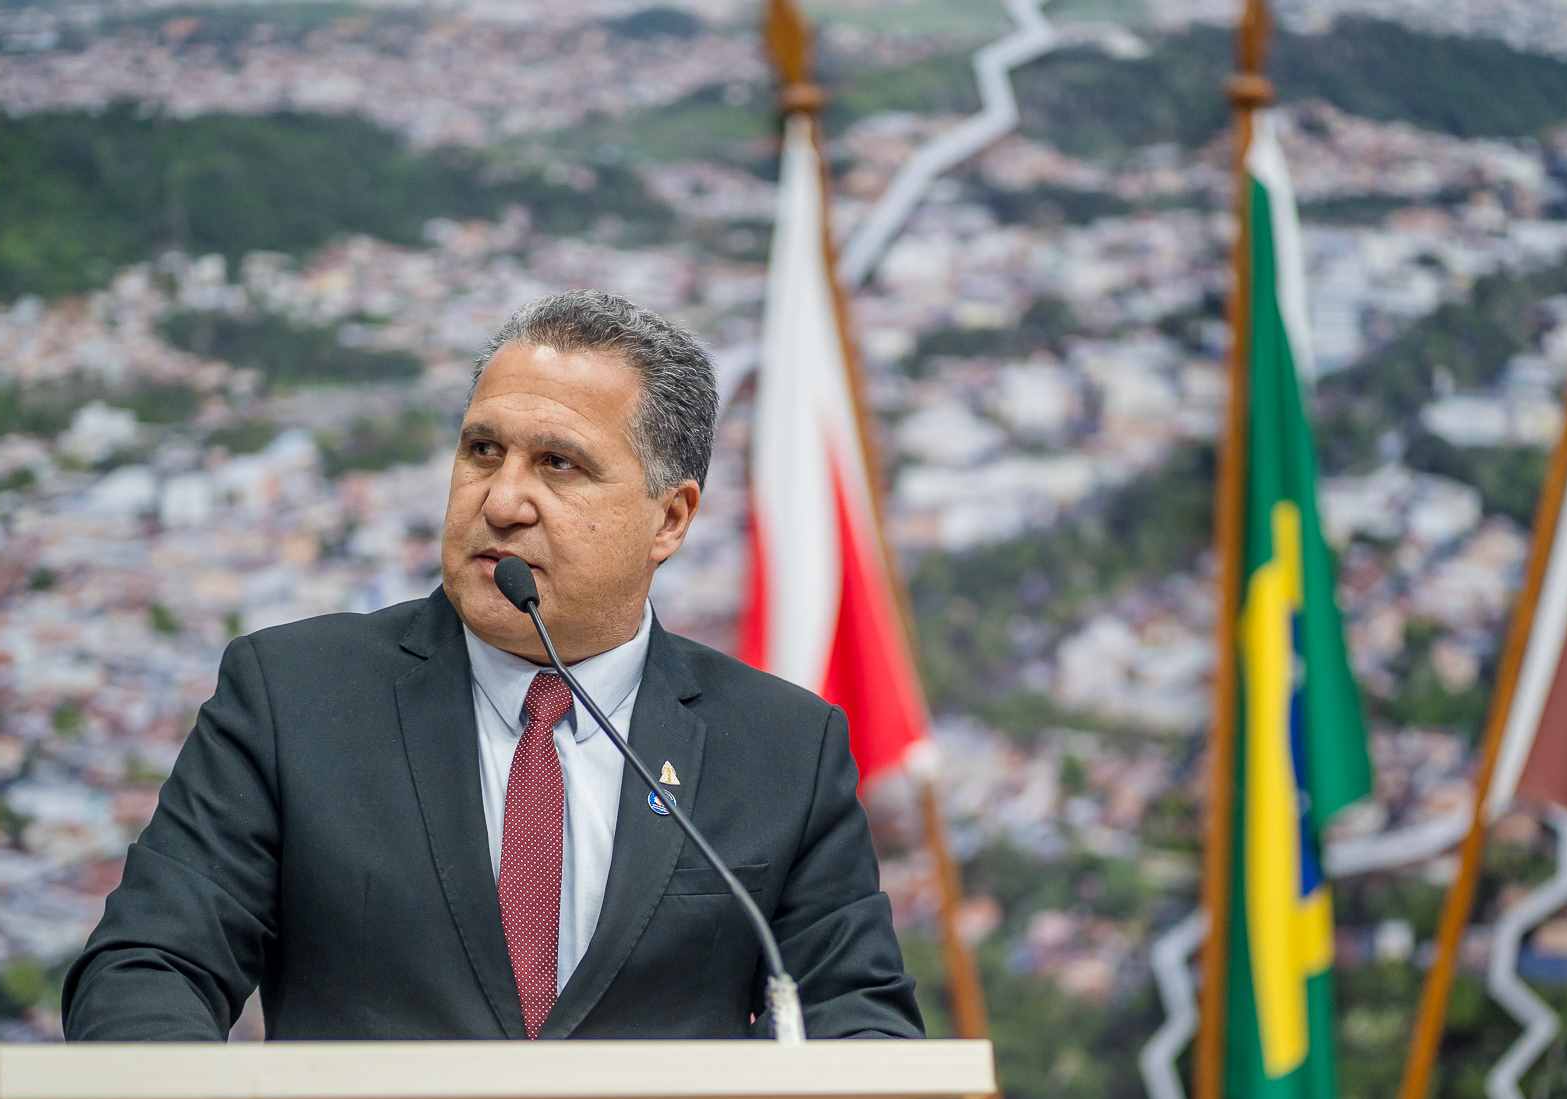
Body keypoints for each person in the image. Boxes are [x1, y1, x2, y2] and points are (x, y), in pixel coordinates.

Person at [62, 289, 923, 1042]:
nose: (502, 501)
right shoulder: (293, 699)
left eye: (558, 464)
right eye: (482, 450)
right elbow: (147, 969)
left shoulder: (782, 749)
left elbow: (861, 1022)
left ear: (669, 519)